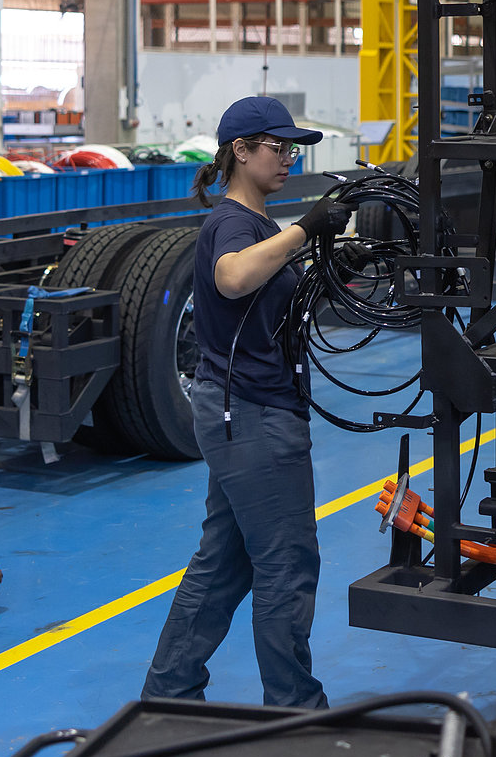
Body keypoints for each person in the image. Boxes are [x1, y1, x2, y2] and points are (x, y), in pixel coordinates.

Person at [140, 96, 356, 708]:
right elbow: (233, 277)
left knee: (224, 563)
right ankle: (295, 712)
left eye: (293, 149)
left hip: (245, 411)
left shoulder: (258, 224)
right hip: (254, 417)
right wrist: (306, 229)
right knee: (286, 565)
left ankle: (169, 693)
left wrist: (336, 260)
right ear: (241, 151)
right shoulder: (234, 223)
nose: (289, 158)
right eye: (278, 147)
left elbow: (265, 302)